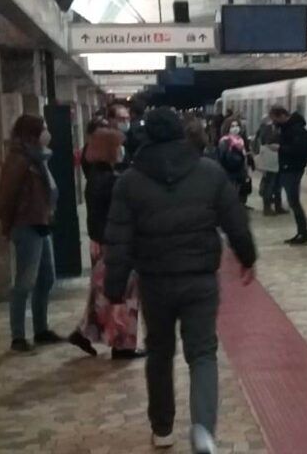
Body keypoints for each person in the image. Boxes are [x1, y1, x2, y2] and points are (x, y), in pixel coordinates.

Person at [104, 107, 257, 452]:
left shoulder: (129, 181)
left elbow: (119, 240)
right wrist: (247, 259)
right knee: (202, 354)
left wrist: (114, 292)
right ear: (181, 133)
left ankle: (162, 429)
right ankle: (203, 430)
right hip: (200, 280)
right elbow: (235, 222)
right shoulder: (209, 172)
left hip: (155, 282)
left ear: (145, 135)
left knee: (159, 352)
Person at [69, 127, 143, 359]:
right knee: (125, 293)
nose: (121, 150)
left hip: (104, 243)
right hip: (115, 245)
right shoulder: (109, 181)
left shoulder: (96, 176)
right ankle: (122, 345)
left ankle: (85, 333)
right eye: (118, 145)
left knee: (101, 294)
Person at [0, 114, 62, 353]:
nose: (47, 132)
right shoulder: (19, 160)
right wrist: (7, 224)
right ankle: (18, 336)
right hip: (25, 223)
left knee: (47, 277)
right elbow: (7, 196)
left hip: (41, 221)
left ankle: (41, 329)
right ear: (32, 133)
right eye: (43, 128)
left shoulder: (38, 158)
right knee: (25, 281)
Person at [269, 106, 307, 246]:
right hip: (289, 168)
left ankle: (304, 233)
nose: (275, 122)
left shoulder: (295, 130)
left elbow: (297, 150)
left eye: (276, 119)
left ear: (283, 115)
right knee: (293, 202)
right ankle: (301, 232)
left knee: (294, 202)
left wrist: (280, 148)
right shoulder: (288, 128)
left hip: (293, 169)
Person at [253, 112, 286, 216]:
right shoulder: (267, 128)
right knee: (270, 184)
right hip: (269, 161)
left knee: (277, 185)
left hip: (278, 161)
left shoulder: (277, 128)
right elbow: (266, 142)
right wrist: (275, 145)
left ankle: (278, 206)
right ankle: (267, 208)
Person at [218, 117, 251, 206]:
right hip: (230, 173)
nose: (235, 128)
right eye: (232, 126)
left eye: (237, 126)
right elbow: (225, 158)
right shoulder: (224, 141)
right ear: (227, 127)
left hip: (240, 171)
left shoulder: (240, 140)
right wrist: (239, 155)